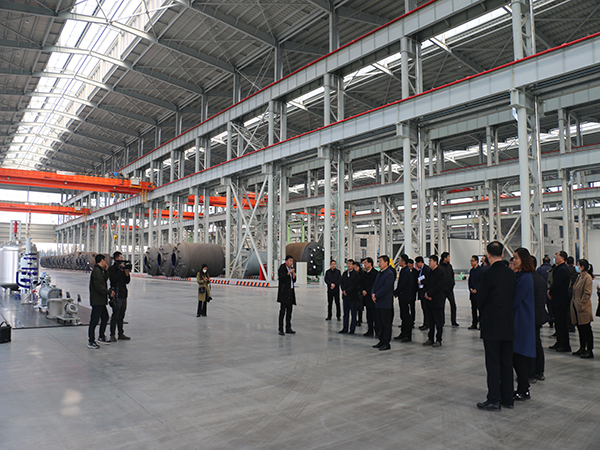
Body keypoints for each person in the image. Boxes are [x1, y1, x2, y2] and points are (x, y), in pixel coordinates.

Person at [476, 241, 517, 412]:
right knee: (506, 362)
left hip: (492, 325)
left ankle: (494, 399)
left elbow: (481, 299)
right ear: (502, 254)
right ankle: (508, 398)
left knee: (493, 363)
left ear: (488, 255)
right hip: (508, 324)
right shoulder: (511, 274)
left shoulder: (488, 274)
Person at [511, 248, 536, 401]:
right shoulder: (520, 276)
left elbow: (514, 300)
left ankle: (523, 389)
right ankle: (523, 388)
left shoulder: (525, 278)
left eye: (516, 258)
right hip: (518, 320)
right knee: (516, 357)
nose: (514, 260)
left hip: (521, 322)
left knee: (518, 357)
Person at [88, 254, 115, 349]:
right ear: (102, 260)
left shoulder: (99, 271)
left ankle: (101, 336)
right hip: (97, 301)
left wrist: (106, 271)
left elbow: (104, 280)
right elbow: (99, 286)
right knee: (94, 321)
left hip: (101, 300)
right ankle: (91, 341)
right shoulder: (96, 271)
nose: (106, 262)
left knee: (105, 317)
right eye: (105, 260)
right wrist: (108, 292)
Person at [529, 256, 549, 382]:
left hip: (531, 317)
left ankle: (532, 372)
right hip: (538, 316)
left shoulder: (528, 280)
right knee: (537, 343)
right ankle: (539, 371)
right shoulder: (540, 280)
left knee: (532, 344)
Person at [548, 251, 571, 352]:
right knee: (558, 322)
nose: (555, 257)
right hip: (557, 299)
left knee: (562, 323)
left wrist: (551, 291)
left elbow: (558, 284)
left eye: (556, 256)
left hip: (561, 300)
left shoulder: (563, 269)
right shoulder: (558, 268)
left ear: (562, 258)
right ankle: (559, 342)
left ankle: (564, 344)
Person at [571, 259, 594, 359]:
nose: (577, 267)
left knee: (586, 329)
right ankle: (582, 347)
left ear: (582, 267)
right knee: (580, 328)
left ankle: (589, 350)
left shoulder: (587, 277)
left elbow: (587, 293)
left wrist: (581, 304)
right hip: (576, 306)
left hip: (583, 308)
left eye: (578, 265)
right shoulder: (579, 276)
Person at [371, 255, 395, 351]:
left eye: (380, 261)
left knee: (386, 324)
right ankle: (381, 341)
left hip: (385, 303)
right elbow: (374, 285)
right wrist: (373, 293)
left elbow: (386, 287)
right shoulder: (379, 273)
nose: (379, 263)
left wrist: (376, 295)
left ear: (386, 262)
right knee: (379, 323)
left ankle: (386, 343)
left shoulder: (389, 274)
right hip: (378, 303)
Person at [107, 251, 131, 341]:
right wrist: (120, 270)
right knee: (115, 316)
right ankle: (112, 335)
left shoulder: (123, 268)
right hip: (116, 295)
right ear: (116, 258)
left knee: (121, 316)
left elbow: (127, 281)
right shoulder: (112, 269)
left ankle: (121, 334)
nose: (122, 259)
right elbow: (113, 279)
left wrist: (126, 273)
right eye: (120, 257)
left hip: (123, 294)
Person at [423, 255, 446, 347]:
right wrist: (426, 294)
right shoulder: (429, 272)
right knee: (430, 321)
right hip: (429, 300)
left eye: (430, 261)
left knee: (438, 321)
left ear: (435, 262)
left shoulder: (440, 273)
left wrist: (429, 294)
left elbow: (438, 286)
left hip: (437, 300)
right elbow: (427, 284)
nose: (429, 263)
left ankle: (439, 339)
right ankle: (430, 338)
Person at [394, 254, 413, 342]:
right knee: (403, 315)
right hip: (402, 295)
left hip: (405, 296)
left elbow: (402, 284)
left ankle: (407, 335)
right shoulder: (403, 270)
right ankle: (403, 333)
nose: (399, 262)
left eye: (400, 260)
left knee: (406, 316)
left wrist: (395, 292)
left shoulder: (406, 271)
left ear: (404, 262)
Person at [277, 255, 297, 336]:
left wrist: (294, 275)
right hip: (284, 293)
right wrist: (288, 273)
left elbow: (293, 281)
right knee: (282, 311)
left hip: (290, 292)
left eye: (292, 261)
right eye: (290, 261)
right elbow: (281, 278)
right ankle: (281, 329)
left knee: (289, 312)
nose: (291, 263)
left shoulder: (291, 269)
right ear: (286, 261)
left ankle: (288, 328)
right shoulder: (282, 268)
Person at [339, 259, 359, 334]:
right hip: (345, 297)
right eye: (348, 264)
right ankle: (345, 328)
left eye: (350, 264)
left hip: (353, 297)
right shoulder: (344, 273)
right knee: (345, 314)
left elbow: (355, 285)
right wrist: (343, 290)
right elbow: (341, 283)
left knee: (353, 314)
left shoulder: (356, 274)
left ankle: (352, 329)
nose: (348, 265)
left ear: (353, 265)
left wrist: (347, 291)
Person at [361, 257, 378, 337]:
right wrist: (363, 290)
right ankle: (370, 330)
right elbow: (362, 283)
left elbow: (374, 285)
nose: (364, 264)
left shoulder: (375, 273)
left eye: (365, 262)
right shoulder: (364, 273)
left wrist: (367, 291)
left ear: (370, 263)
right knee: (368, 315)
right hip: (366, 297)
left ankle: (377, 331)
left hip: (372, 296)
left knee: (375, 315)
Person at [440, 252, 459, 327]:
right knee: (442, 306)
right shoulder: (439, 267)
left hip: (450, 290)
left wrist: (452, 284)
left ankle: (453, 321)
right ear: (444, 258)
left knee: (453, 305)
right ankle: (442, 321)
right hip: (442, 290)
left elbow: (452, 275)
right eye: (448, 257)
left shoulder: (449, 266)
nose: (449, 258)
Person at [415, 256, 431, 330]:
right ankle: (425, 323)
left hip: (425, 292)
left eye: (417, 263)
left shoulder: (426, 269)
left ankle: (427, 324)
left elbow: (427, 279)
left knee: (426, 309)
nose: (416, 265)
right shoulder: (420, 270)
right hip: (421, 291)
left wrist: (421, 282)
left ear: (420, 262)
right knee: (424, 308)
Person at [468, 255, 482, 330]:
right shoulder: (471, 270)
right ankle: (474, 324)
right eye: (471, 261)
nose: (471, 262)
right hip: (472, 293)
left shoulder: (481, 270)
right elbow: (470, 280)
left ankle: (481, 324)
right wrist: (470, 288)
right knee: (473, 309)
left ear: (476, 261)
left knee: (480, 309)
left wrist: (476, 289)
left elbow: (481, 281)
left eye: (472, 260)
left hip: (478, 293)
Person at [408, 258, 418, 329]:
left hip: (412, 293)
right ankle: (406, 322)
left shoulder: (415, 272)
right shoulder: (405, 271)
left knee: (412, 308)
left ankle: (412, 322)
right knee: (405, 308)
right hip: (406, 292)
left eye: (411, 266)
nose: (410, 267)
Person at [354, 260, 364, 326]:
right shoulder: (353, 274)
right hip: (354, 292)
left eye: (356, 266)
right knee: (355, 307)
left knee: (360, 307)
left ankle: (360, 320)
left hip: (360, 292)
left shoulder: (362, 273)